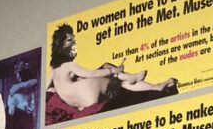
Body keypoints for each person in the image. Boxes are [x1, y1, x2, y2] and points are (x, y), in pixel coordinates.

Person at [48, 24, 176, 111]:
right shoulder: (69, 65)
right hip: (90, 94)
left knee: (105, 67)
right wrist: (113, 70)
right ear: (61, 44)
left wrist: (57, 90)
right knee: (116, 77)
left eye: (74, 40)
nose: (74, 44)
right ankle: (136, 80)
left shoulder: (53, 70)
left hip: (80, 103)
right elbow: (90, 74)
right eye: (70, 40)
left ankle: (133, 78)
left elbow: (47, 89)